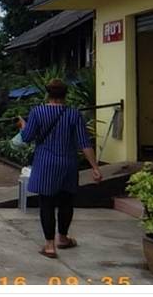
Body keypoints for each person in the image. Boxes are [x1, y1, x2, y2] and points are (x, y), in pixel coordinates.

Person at [17, 78, 102, 258]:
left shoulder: (37, 112)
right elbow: (84, 142)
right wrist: (95, 167)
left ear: (48, 94)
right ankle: (62, 238)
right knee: (66, 202)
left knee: (46, 203)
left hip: (45, 162)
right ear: (66, 94)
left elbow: (26, 137)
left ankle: (49, 246)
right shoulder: (74, 114)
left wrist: (24, 126)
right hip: (68, 163)